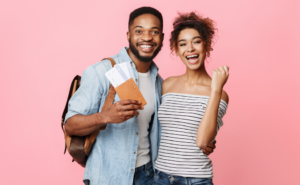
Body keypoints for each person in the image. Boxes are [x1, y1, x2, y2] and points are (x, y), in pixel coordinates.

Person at [64, 7, 216, 185]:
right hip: (109, 177)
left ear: (161, 38)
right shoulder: (101, 71)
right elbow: (70, 126)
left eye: (154, 32)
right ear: (128, 35)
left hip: (151, 176)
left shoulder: (160, 83)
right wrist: (106, 116)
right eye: (139, 31)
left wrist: (202, 143)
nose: (147, 37)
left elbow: (171, 128)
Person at [152, 12, 229, 185]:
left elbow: (203, 141)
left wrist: (216, 89)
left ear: (206, 45)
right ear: (176, 49)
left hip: (195, 180)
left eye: (196, 41)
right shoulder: (167, 85)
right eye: (183, 44)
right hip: (160, 177)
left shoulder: (219, 93)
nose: (190, 49)